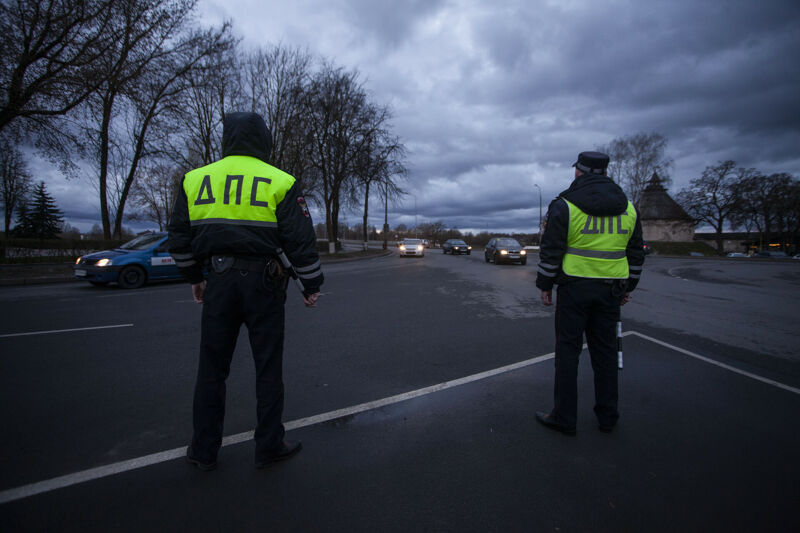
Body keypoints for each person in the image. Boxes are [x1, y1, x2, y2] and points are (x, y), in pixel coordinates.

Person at [167, 112, 323, 470]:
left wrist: (195, 277)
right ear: (264, 140)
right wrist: (311, 285)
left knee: (211, 369)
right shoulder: (280, 181)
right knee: (268, 368)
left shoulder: (196, 179)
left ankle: (203, 450)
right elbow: (301, 242)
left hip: (218, 282)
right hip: (266, 284)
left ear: (228, 140)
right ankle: (269, 445)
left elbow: (179, 237)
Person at [535, 151, 644, 435]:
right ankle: (608, 417)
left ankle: (564, 418)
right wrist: (628, 287)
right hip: (611, 292)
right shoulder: (629, 208)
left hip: (574, 290)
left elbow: (551, 251)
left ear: (578, 172)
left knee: (568, 353)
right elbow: (635, 254)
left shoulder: (564, 206)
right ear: (606, 173)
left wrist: (546, 286)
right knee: (606, 354)